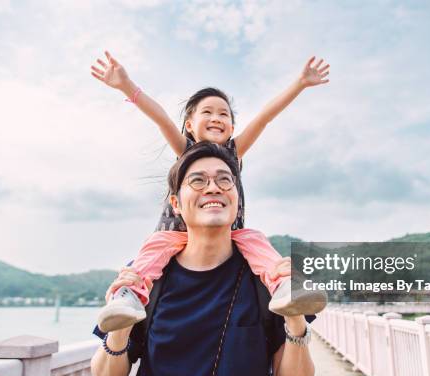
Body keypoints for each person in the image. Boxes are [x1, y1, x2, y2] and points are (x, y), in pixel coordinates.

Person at [90, 51, 329, 332]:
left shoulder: (233, 153)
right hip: (177, 234)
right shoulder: (187, 152)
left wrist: (299, 84)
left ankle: (284, 286)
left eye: (224, 114)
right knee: (150, 253)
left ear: (231, 127)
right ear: (190, 125)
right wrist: (126, 86)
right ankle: (128, 296)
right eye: (207, 112)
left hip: (227, 234)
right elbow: (163, 120)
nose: (216, 117)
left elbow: (264, 118)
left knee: (256, 241)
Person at [91, 142, 316, 376]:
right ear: (176, 203)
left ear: (236, 198)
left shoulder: (264, 278)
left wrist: (296, 319)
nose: (213, 187)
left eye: (225, 180)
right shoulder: (147, 278)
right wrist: (121, 330)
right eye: (198, 181)